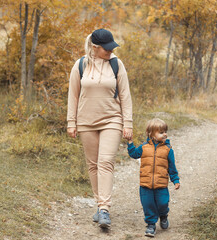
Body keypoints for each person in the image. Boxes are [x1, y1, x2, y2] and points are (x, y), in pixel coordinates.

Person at [67, 28, 133, 229]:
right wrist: (72, 122)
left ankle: (104, 209)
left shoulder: (116, 64)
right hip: (86, 122)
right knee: (93, 165)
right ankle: (100, 203)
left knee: (105, 162)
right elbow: (73, 96)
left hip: (112, 120)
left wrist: (127, 123)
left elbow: (125, 96)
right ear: (95, 48)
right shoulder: (80, 66)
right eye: (106, 49)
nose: (110, 51)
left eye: (112, 48)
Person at [127, 118, 180, 237]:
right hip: (145, 184)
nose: (165, 134)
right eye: (161, 132)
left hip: (161, 185)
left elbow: (172, 167)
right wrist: (130, 143)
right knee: (148, 205)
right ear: (151, 134)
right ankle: (151, 225)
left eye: (165, 131)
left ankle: (163, 215)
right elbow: (134, 154)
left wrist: (175, 180)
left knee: (163, 203)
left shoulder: (168, 150)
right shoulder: (144, 147)